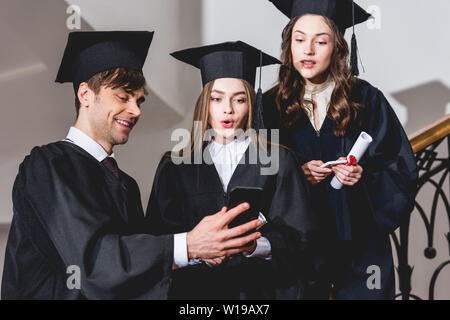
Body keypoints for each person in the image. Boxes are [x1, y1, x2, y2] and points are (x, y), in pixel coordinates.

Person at [1, 31, 263, 300]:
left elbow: (136, 274)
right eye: (123, 97)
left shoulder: (125, 184)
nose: (136, 110)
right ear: (85, 94)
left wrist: (205, 252)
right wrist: (189, 245)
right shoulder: (48, 166)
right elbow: (91, 261)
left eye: (139, 100)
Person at [264, 0, 418, 299]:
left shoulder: (366, 99)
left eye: (320, 41)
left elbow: (400, 169)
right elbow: (256, 177)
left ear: (337, 46)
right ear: (289, 45)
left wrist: (363, 176)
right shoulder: (270, 106)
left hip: (360, 250)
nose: (308, 50)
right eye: (299, 40)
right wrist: (294, 175)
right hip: (297, 250)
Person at [145, 41, 316, 300]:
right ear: (205, 104)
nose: (228, 109)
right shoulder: (175, 166)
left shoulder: (279, 160)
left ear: (251, 104)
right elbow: (157, 240)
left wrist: (255, 245)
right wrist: (196, 251)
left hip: (259, 294)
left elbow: (302, 239)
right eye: (217, 98)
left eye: (239, 99)